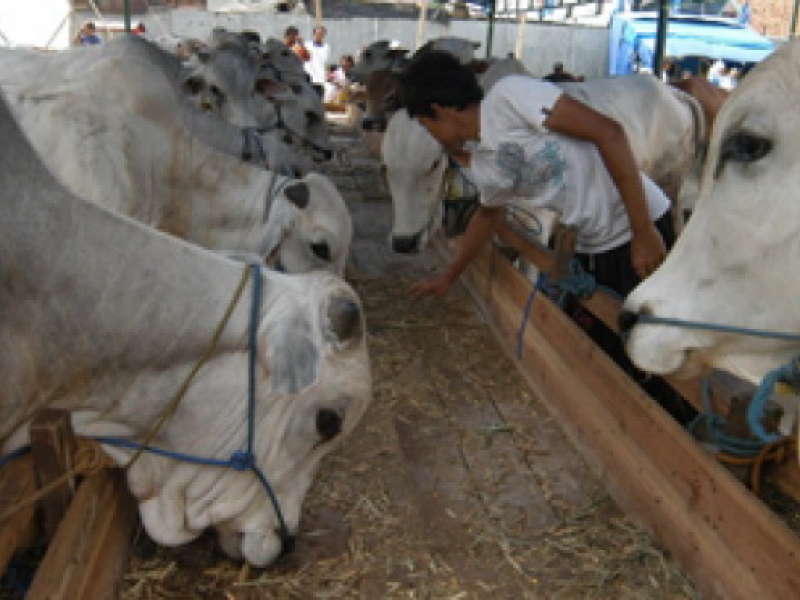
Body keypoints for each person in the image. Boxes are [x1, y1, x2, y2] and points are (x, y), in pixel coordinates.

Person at [401, 51, 669, 301]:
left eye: (426, 125)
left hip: (638, 224)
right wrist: (448, 278)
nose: (431, 135)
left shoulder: (509, 97)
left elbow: (609, 133)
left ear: (440, 111)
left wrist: (643, 230)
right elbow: (488, 215)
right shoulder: (484, 163)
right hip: (593, 245)